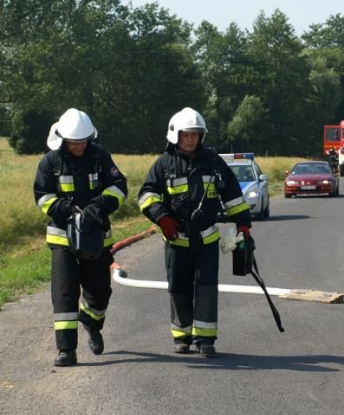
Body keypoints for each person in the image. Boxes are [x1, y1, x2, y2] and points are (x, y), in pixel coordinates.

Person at [138, 107, 251, 356]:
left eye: (195, 134)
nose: (191, 139)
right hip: (176, 239)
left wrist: (243, 224)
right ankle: (182, 336)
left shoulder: (213, 162)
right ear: (175, 135)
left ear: (202, 136)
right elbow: (146, 195)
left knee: (207, 288)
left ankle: (206, 339)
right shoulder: (163, 164)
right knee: (178, 288)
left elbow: (233, 195)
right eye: (186, 134)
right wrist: (162, 217)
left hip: (207, 239)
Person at [33, 109, 128, 367]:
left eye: (84, 140)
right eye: (75, 141)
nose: (80, 145)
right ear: (63, 139)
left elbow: (119, 187)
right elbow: (42, 195)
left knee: (99, 291)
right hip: (63, 239)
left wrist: (98, 207)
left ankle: (92, 321)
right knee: (64, 294)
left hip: (96, 237)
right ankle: (66, 350)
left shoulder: (100, 157)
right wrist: (64, 209)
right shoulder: (50, 162)